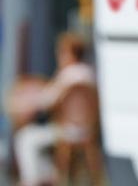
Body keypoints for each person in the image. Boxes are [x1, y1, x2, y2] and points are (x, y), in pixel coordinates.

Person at [12, 32, 96, 186]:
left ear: (70, 54)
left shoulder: (66, 76)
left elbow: (47, 100)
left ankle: (33, 180)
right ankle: (50, 174)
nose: (59, 56)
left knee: (26, 137)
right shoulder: (90, 74)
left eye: (62, 53)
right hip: (88, 132)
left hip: (66, 131)